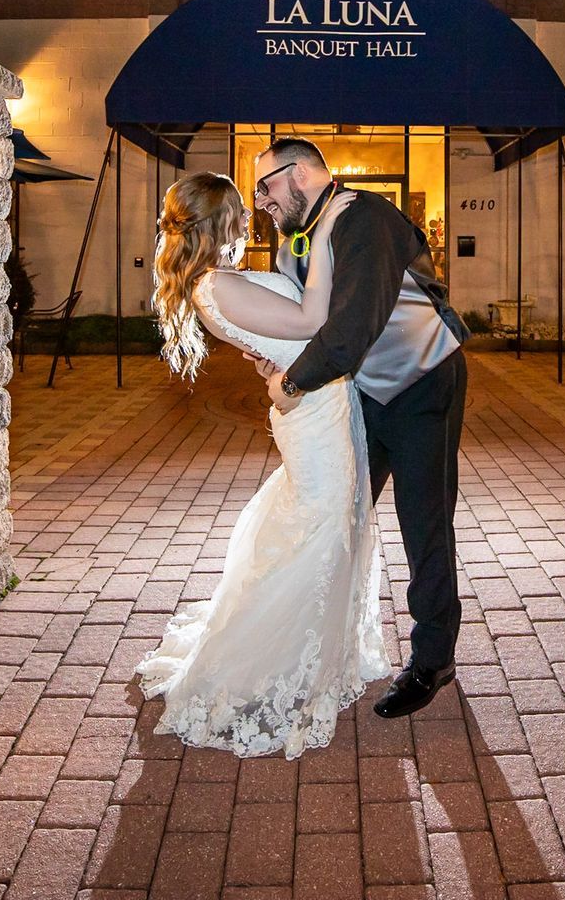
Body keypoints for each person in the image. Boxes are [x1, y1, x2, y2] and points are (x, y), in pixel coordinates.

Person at [136, 171, 386, 758]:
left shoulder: (216, 280)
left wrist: (272, 363)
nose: (249, 218)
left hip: (315, 400)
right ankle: (270, 659)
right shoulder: (216, 286)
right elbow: (308, 323)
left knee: (330, 521)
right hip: (311, 410)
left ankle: (319, 653)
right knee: (322, 526)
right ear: (219, 220)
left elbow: (280, 331)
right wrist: (322, 238)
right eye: (239, 213)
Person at [251, 137, 469, 719]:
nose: (261, 202)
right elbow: (310, 322)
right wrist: (279, 356)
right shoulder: (299, 237)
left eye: (266, 187)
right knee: (341, 514)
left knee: (423, 520)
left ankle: (433, 658)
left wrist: (292, 384)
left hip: (422, 380)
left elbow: (350, 329)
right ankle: (321, 645)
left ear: (299, 174)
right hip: (358, 395)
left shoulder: (366, 217)